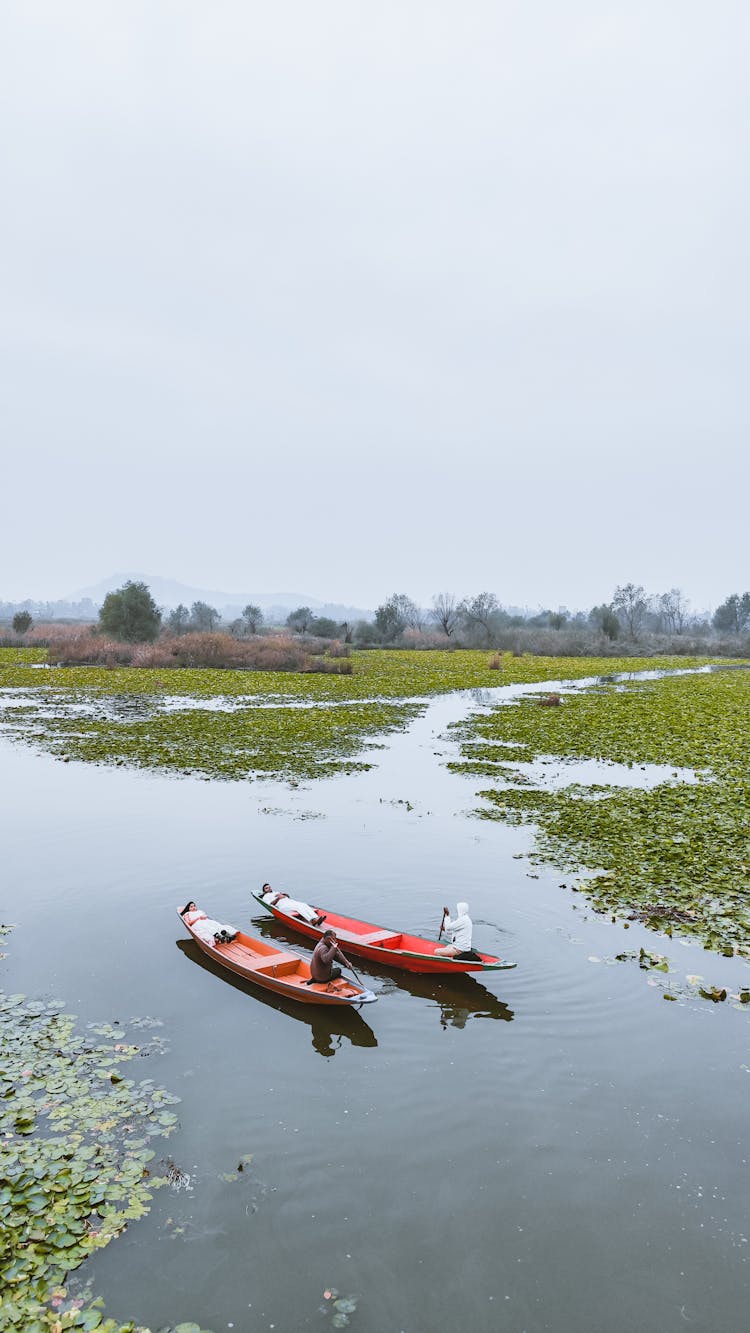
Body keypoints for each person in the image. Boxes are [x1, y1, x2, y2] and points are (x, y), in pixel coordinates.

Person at [259, 882, 325, 926]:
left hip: (289, 902)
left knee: (303, 904)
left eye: (269, 887)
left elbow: (287, 896)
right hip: (282, 906)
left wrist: (284, 895)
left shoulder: (275, 892)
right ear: (264, 890)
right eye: (266, 888)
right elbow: (271, 904)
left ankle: (316, 918)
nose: (269, 888)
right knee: (297, 907)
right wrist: (278, 898)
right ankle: (311, 920)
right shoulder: (266, 897)